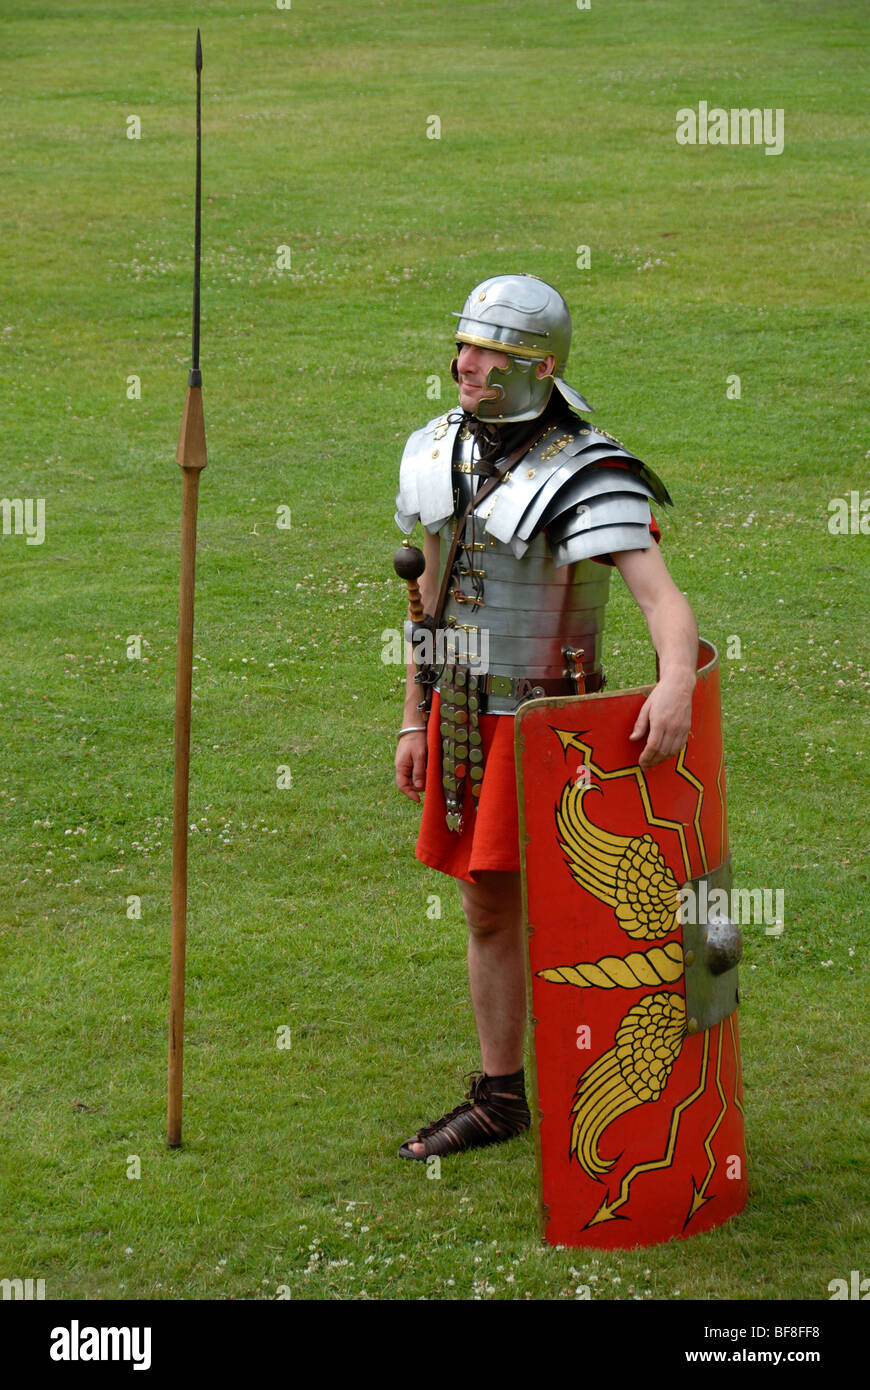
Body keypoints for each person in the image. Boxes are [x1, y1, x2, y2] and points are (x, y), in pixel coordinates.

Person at [393, 274, 697, 1161]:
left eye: (491, 354)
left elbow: (660, 600)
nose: (466, 365)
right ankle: (500, 1096)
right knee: (486, 908)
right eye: (464, 347)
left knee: (593, 915)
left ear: (542, 366)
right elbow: (427, 603)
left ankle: (622, 1089)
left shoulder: (587, 469)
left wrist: (674, 681)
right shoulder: (435, 450)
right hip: (464, 719)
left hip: (559, 729)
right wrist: (414, 717)